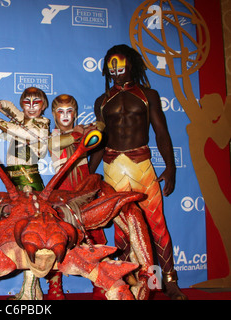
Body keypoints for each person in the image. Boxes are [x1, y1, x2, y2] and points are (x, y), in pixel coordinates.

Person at [88, 44, 187, 300]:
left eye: (119, 63)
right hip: (112, 169)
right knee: (122, 231)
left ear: (130, 63)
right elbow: (100, 142)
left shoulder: (148, 94)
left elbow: (161, 132)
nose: (115, 69)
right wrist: (88, 176)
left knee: (157, 227)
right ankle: (125, 281)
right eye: (110, 65)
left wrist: (171, 166)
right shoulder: (102, 101)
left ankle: (168, 281)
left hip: (142, 166)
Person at [0, 87, 50, 300]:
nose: (31, 107)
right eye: (27, 102)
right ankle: (31, 289)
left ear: (44, 105)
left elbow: (22, 132)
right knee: (19, 234)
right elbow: (9, 107)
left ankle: (31, 291)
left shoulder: (43, 124)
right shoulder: (22, 117)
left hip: (28, 180)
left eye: (37, 102)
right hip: (14, 179)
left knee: (30, 235)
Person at [48, 94, 107, 300]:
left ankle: (100, 283)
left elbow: (101, 126)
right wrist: (77, 133)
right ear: (54, 114)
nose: (65, 115)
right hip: (61, 190)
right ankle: (54, 288)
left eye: (69, 110)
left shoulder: (83, 131)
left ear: (75, 113)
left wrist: (93, 125)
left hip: (82, 189)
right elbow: (52, 145)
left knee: (93, 235)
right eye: (60, 111)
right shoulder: (52, 135)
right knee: (56, 238)